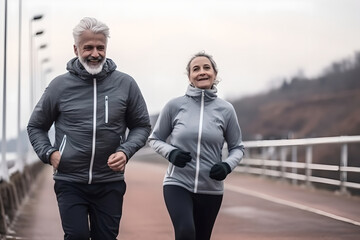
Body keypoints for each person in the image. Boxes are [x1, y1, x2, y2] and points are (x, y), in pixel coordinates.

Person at [27, 17, 151, 240]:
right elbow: (36, 126)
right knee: (77, 236)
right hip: (69, 181)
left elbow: (141, 125)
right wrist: (49, 153)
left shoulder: (125, 84)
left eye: (100, 47)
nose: (95, 53)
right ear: (76, 49)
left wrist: (126, 151)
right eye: (88, 48)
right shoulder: (59, 86)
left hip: (109, 182)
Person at [148, 52, 245, 240]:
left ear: (215, 74)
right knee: (185, 232)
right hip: (177, 183)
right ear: (189, 76)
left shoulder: (226, 110)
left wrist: (227, 166)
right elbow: (155, 139)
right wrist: (171, 153)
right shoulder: (174, 106)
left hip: (211, 188)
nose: (202, 72)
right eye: (196, 69)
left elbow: (237, 147)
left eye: (206, 68)